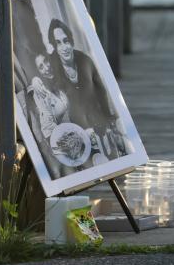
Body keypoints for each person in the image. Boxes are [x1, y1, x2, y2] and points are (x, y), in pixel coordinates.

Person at [47, 18, 125, 165]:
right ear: (54, 46)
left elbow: (101, 91)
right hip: (71, 132)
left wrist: (109, 118)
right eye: (58, 43)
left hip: (96, 123)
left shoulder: (84, 60)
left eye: (66, 41)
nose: (64, 47)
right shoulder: (51, 65)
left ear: (71, 41)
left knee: (112, 155)